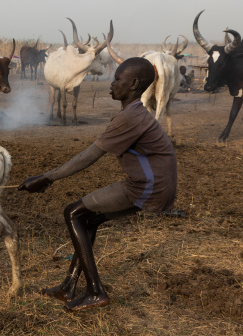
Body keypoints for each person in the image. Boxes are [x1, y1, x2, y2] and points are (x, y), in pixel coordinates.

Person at [18, 57, 177, 312]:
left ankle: (95, 291)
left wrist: (46, 178)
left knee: (73, 212)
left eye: (117, 80)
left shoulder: (129, 118)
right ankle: (69, 287)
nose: (111, 85)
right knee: (88, 218)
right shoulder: (133, 113)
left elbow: (89, 156)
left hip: (149, 185)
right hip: (158, 183)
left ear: (134, 84)